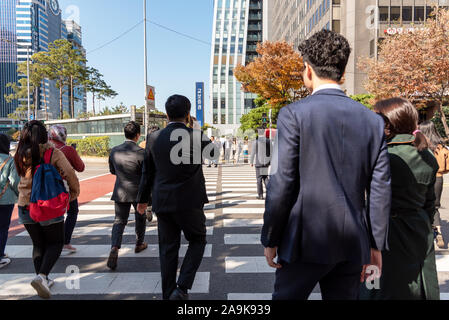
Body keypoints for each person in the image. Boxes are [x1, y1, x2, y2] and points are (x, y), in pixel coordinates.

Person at [261, 30, 391, 300]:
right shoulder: (372, 121)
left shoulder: (293, 114)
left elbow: (281, 183)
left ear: (308, 70)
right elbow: (380, 191)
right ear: (342, 73)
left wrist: (270, 238)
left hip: (303, 241)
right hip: (353, 243)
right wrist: (375, 245)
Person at [136, 94, 218, 300]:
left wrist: (142, 200)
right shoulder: (196, 135)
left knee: (168, 248)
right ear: (188, 114)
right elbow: (214, 155)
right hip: (191, 201)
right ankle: (181, 287)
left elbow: (147, 173)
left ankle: (168, 294)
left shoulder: (153, 138)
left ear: (166, 115)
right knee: (198, 240)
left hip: (163, 202)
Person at [360, 98, 439, 300]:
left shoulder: (381, 154)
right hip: (418, 232)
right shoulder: (426, 155)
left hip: (383, 233)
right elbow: (430, 204)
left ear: (387, 123)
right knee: (416, 288)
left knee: (375, 287)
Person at [14, 121, 80, 299]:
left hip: (25, 206)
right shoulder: (52, 152)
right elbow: (69, 173)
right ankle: (42, 276)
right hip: (47, 204)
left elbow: (16, 178)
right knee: (56, 243)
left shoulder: (20, 153)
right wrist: (74, 193)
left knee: (38, 244)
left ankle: (42, 277)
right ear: (45, 136)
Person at [107, 121, 147, 270]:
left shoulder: (114, 150)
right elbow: (146, 175)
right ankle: (139, 243)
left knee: (119, 221)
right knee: (140, 217)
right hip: (138, 191)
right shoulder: (142, 153)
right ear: (138, 135)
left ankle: (115, 248)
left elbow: (112, 171)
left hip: (120, 191)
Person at [48, 125, 85, 254]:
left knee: (51, 214)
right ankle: (65, 241)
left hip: (45, 188)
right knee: (72, 211)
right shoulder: (68, 150)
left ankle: (48, 241)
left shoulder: (43, 149)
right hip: (64, 187)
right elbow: (80, 167)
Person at [420, 120, 449, 248]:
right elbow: (446, 168)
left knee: (422, 204)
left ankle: (425, 233)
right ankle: (439, 232)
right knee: (435, 206)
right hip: (438, 178)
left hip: (423, 177)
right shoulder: (441, 147)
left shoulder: (421, 145)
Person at [0, 134, 20, 269]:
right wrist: (20, 195)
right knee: (2, 228)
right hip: (5, 200)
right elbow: (15, 182)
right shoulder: (10, 161)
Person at [250, 129, 272, 200]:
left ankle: (260, 195)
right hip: (266, 162)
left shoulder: (256, 142)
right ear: (264, 133)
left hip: (258, 163)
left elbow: (253, 153)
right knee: (265, 178)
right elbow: (271, 152)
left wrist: (251, 162)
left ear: (258, 133)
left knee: (259, 179)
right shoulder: (268, 141)